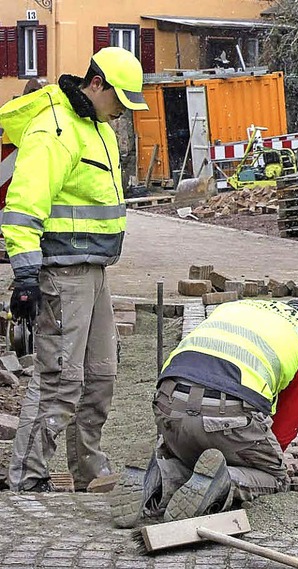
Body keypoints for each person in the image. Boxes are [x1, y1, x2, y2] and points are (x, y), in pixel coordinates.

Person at [0, 47, 148, 492]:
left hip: (95, 271)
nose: (122, 112)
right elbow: (23, 209)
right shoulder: (55, 128)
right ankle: (28, 478)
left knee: (100, 374)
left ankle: (88, 470)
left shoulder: (94, 126)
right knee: (60, 379)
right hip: (61, 274)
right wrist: (26, 276)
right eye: (119, 100)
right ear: (97, 84)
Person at [110, 298, 298, 528]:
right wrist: (260, 462)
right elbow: (282, 432)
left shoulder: (237, 307)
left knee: (199, 465)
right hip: (227, 412)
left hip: (168, 403)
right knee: (275, 478)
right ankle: (226, 481)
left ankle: (160, 474)